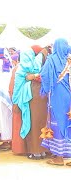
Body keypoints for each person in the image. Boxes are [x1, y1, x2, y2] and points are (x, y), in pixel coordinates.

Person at [12, 45, 49, 160]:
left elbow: (17, 87)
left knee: (32, 123)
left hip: (31, 96)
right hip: (43, 95)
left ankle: (35, 152)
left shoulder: (21, 70)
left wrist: (15, 101)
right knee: (42, 122)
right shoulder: (42, 66)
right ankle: (43, 151)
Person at [40, 38, 71, 166]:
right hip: (68, 96)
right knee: (68, 122)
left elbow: (44, 76)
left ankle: (58, 157)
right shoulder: (69, 61)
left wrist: (46, 88)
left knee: (58, 122)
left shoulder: (51, 60)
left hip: (57, 96)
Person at [0, 48, 13, 151]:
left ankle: (6, 141)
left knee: (3, 117)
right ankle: (10, 140)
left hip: (0, 93)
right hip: (8, 93)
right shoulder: (8, 62)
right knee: (9, 117)